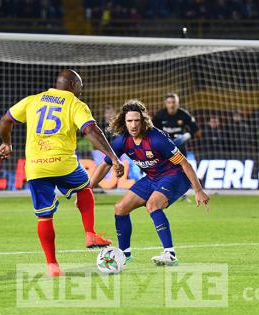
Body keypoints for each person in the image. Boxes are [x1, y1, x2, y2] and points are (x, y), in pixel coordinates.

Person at [0, 69, 124, 276]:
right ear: (74, 86)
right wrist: (114, 157)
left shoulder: (33, 100)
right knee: (84, 186)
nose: (81, 91)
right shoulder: (75, 104)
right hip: (63, 163)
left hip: (36, 166)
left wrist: (6, 143)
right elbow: (91, 130)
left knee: (44, 217)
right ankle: (90, 234)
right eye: (80, 87)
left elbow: (5, 120)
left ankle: (52, 266)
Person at [89, 100, 210, 266]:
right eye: (129, 121)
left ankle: (170, 254)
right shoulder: (121, 141)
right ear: (124, 122)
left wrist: (198, 190)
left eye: (137, 121)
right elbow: (104, 165)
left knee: (152, 205)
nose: (133, 125)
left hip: (175, 176)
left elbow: (184, 163)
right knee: (120, 208)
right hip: (152, 178)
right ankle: (124, 254)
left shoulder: (157, 138)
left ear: (143, 121)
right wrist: (87, 191)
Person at [153, 93, 200, 157]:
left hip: (179, 144)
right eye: (169, 102)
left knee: (182, 164)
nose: (172, 105)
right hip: (164, 144)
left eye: (174, 102)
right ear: (166, 104)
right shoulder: (159, 115)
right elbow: (152, 128)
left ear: (178, 103)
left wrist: (185, 136)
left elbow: (195, 128)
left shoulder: (184, 114)